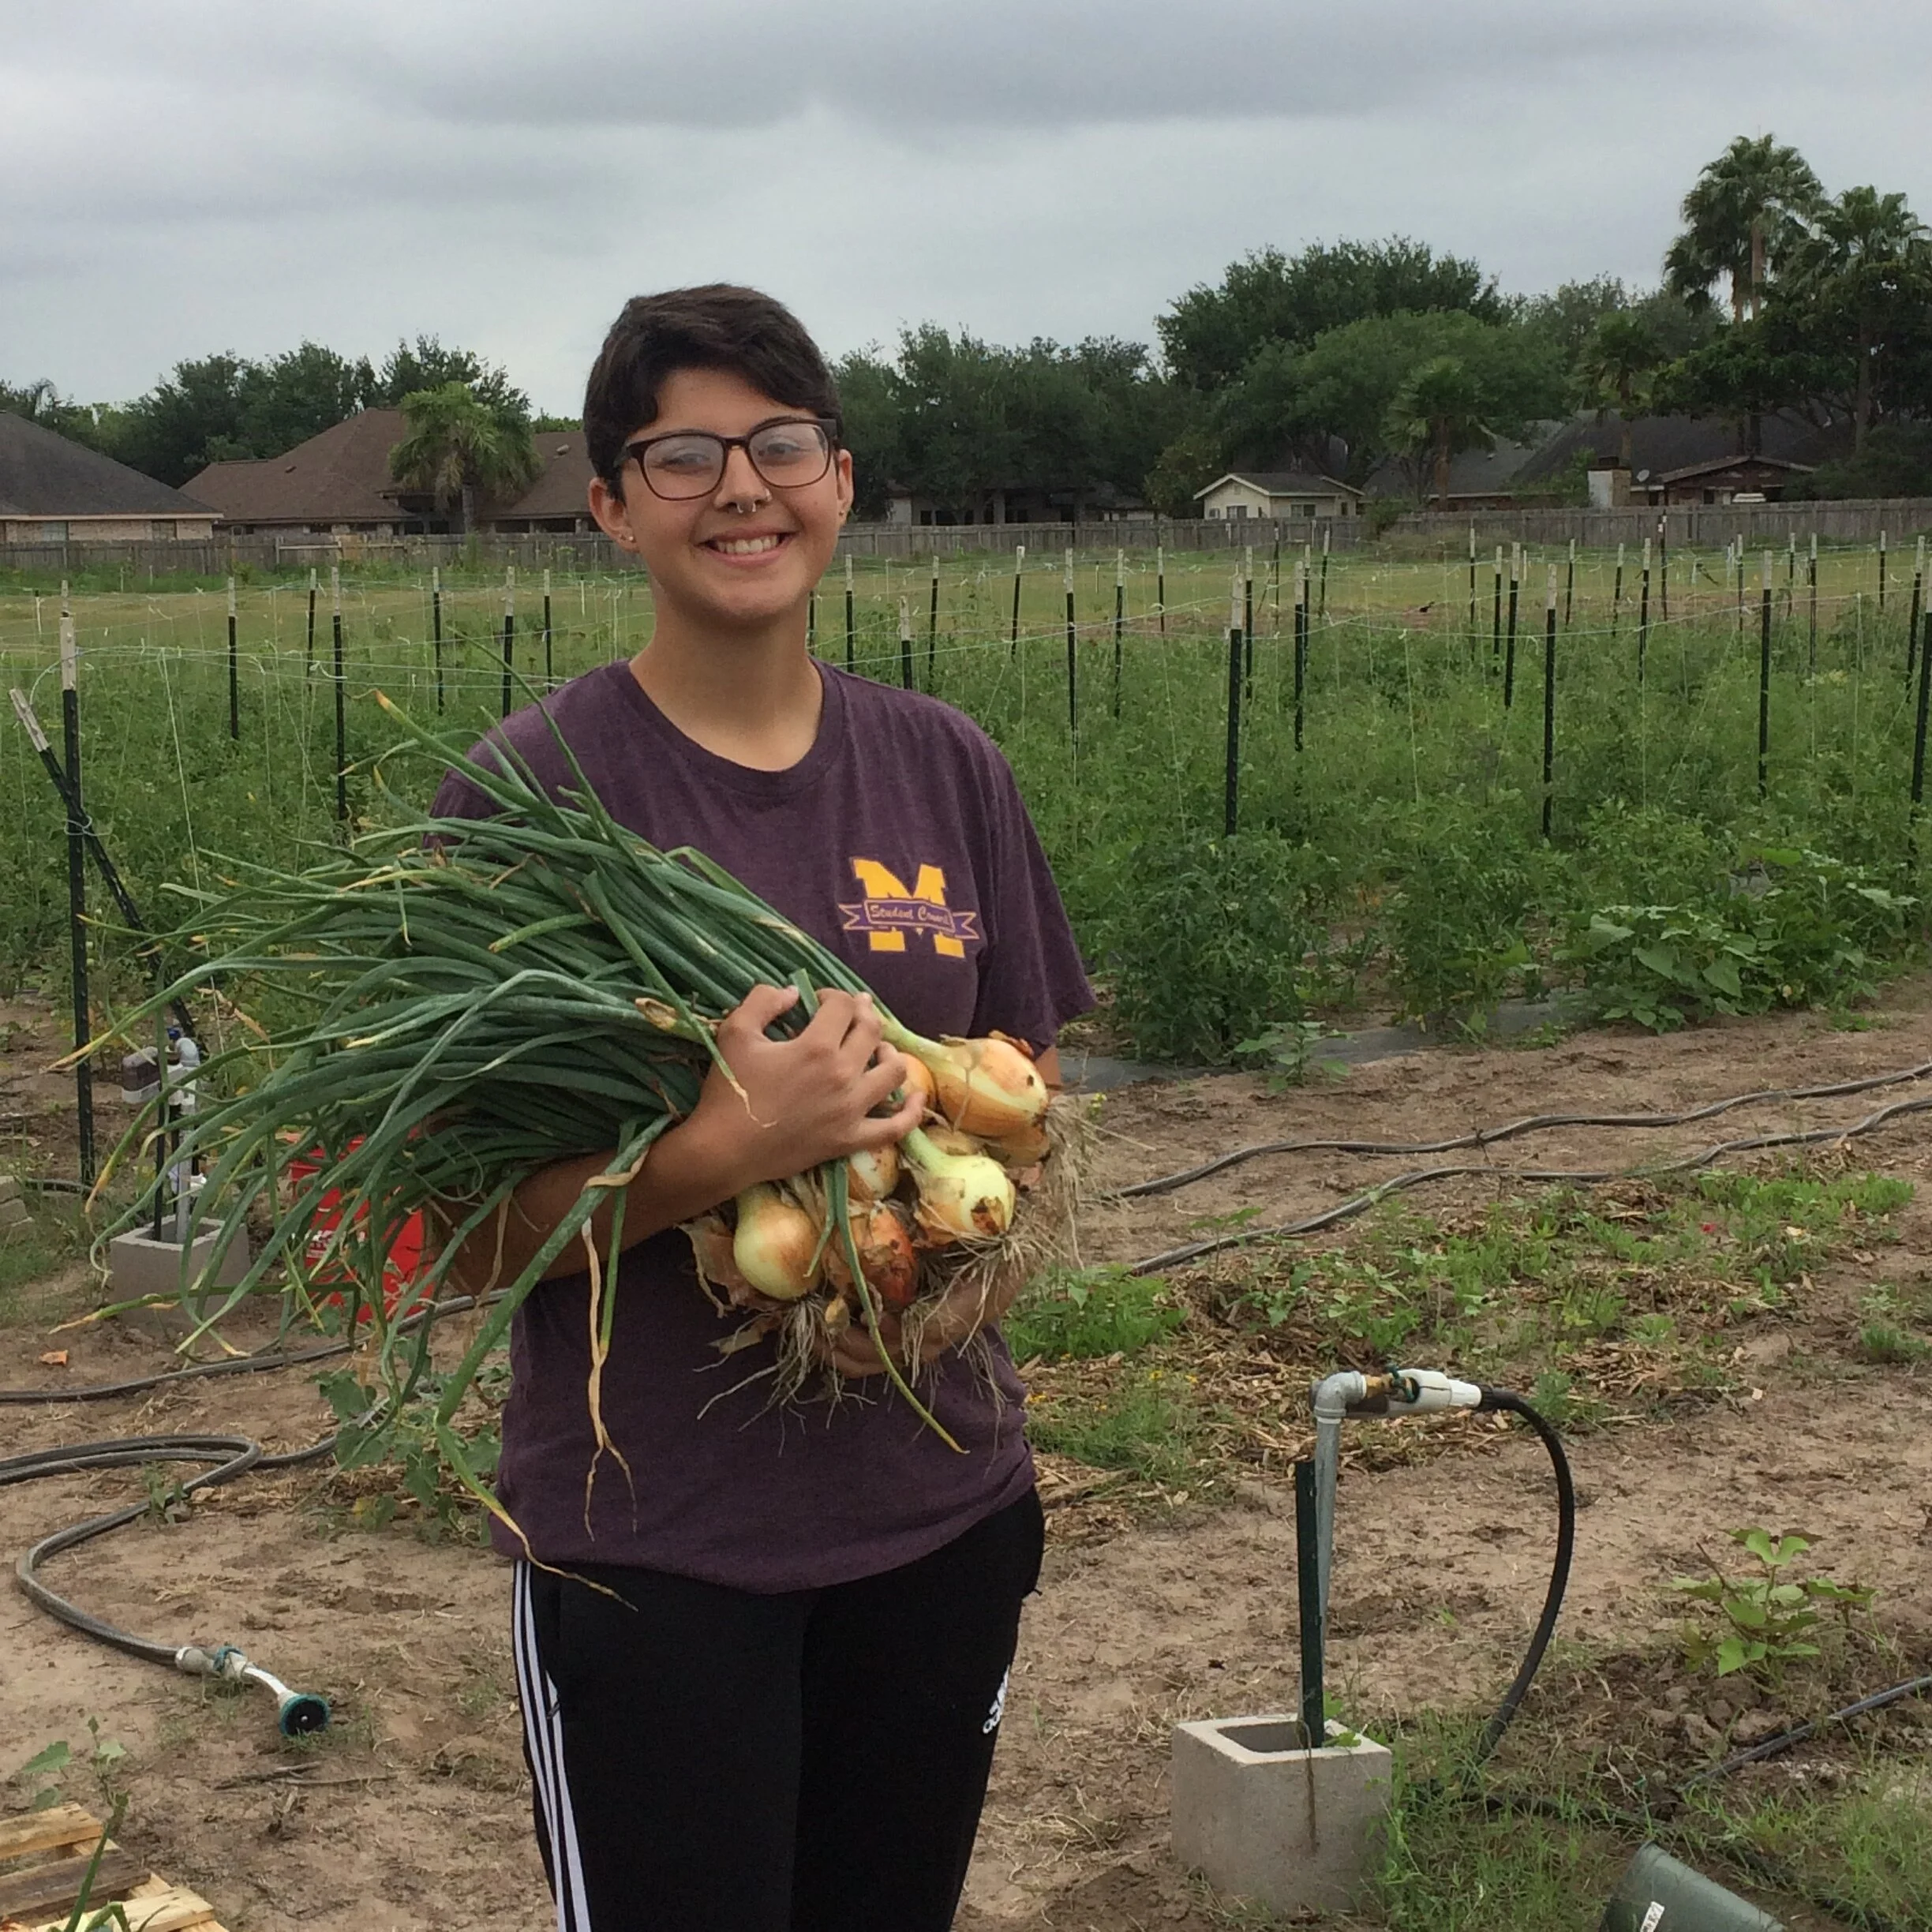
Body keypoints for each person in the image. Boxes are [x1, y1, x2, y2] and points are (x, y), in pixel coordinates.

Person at [431, 284, 1091, 1931]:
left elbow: (1025, 1102)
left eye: (779, 444)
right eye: (683, 455)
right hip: (655, 1549)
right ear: (607, 504)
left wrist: (951, 1273)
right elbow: (456, 1238)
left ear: (842, 481)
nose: (743, 487)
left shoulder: (946, 766)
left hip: (940, 1518)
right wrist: (732, 1150)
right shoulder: (528, 800)